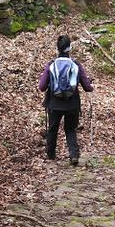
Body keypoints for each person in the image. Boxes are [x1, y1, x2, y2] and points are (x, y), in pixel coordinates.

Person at [39, 34, 94, 166]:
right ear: (70, 48)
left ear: (57, 48)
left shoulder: (51, 65)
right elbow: (87, 87)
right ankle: (74, 155)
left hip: (54, 103)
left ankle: (51, 155)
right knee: (70, 129)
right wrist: (91, 85)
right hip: (72, 103)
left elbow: (42, 87)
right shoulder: (76, 65)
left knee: (53, 129)